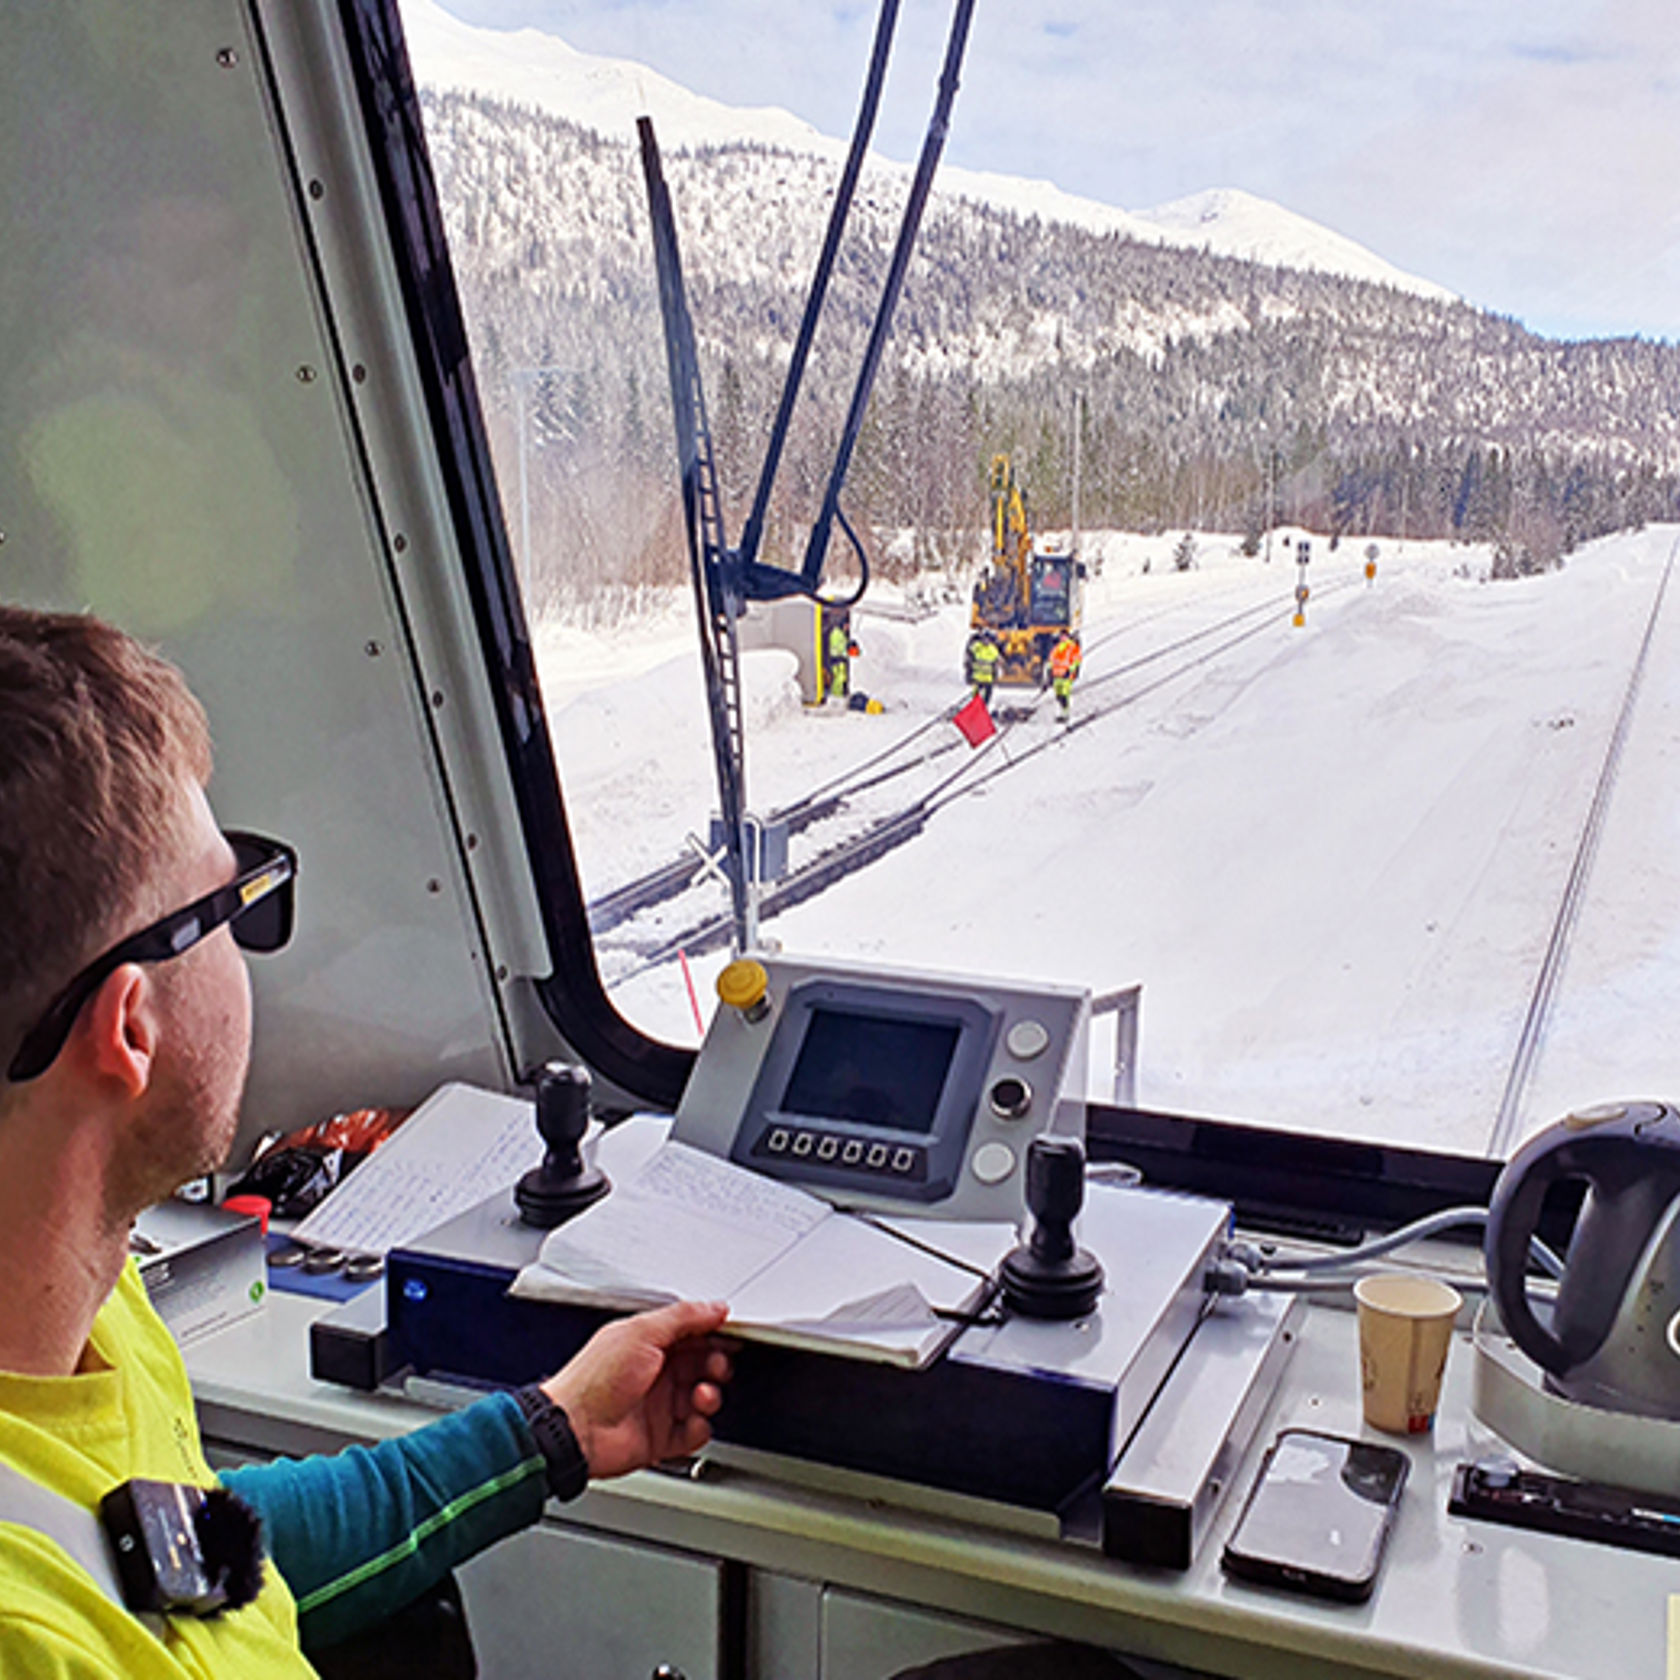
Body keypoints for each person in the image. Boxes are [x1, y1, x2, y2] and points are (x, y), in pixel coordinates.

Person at [0, 605, 733, 1676]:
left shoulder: (90, 1308)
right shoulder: (36, 1644)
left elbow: (179, 1551)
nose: (254, 951)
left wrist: (546, 1431)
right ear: (128, 1029)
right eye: (231, 904)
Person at [1047, 630, 1082, 721]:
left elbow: (1076, 660)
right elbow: (1051, 660)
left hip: (1066, 675)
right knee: (1058, 695)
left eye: (1064, 636)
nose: (1062, 638)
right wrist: (1049, 674)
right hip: (1056, 675)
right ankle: (1062, 712)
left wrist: (1070, 671)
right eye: (1061, 636)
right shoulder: (1057, 648)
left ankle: (1065, 714)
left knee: (1064, 694)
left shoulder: (1072, 647)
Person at [966, 629, 1000, 707]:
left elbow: (994, 665)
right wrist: (969, 675)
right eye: (984, 639)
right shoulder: (976, 648)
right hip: (977, 679)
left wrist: (995, 676)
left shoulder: (993, 650)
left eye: (988, 639)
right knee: (976, 699)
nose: (986, 641)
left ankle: (981, 712)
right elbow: (969, 662)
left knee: (986, 700)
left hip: (988, 679)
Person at [825, 615, 854, 702]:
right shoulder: (836, 633)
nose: (847, 628)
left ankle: (839, 695)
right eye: (846, 626)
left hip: (841, 659)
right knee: (838, 679)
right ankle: (836, 696)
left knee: (842, 679)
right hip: (836, 659)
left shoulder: (841, 633)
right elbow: (838, 647)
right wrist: (848, 649)